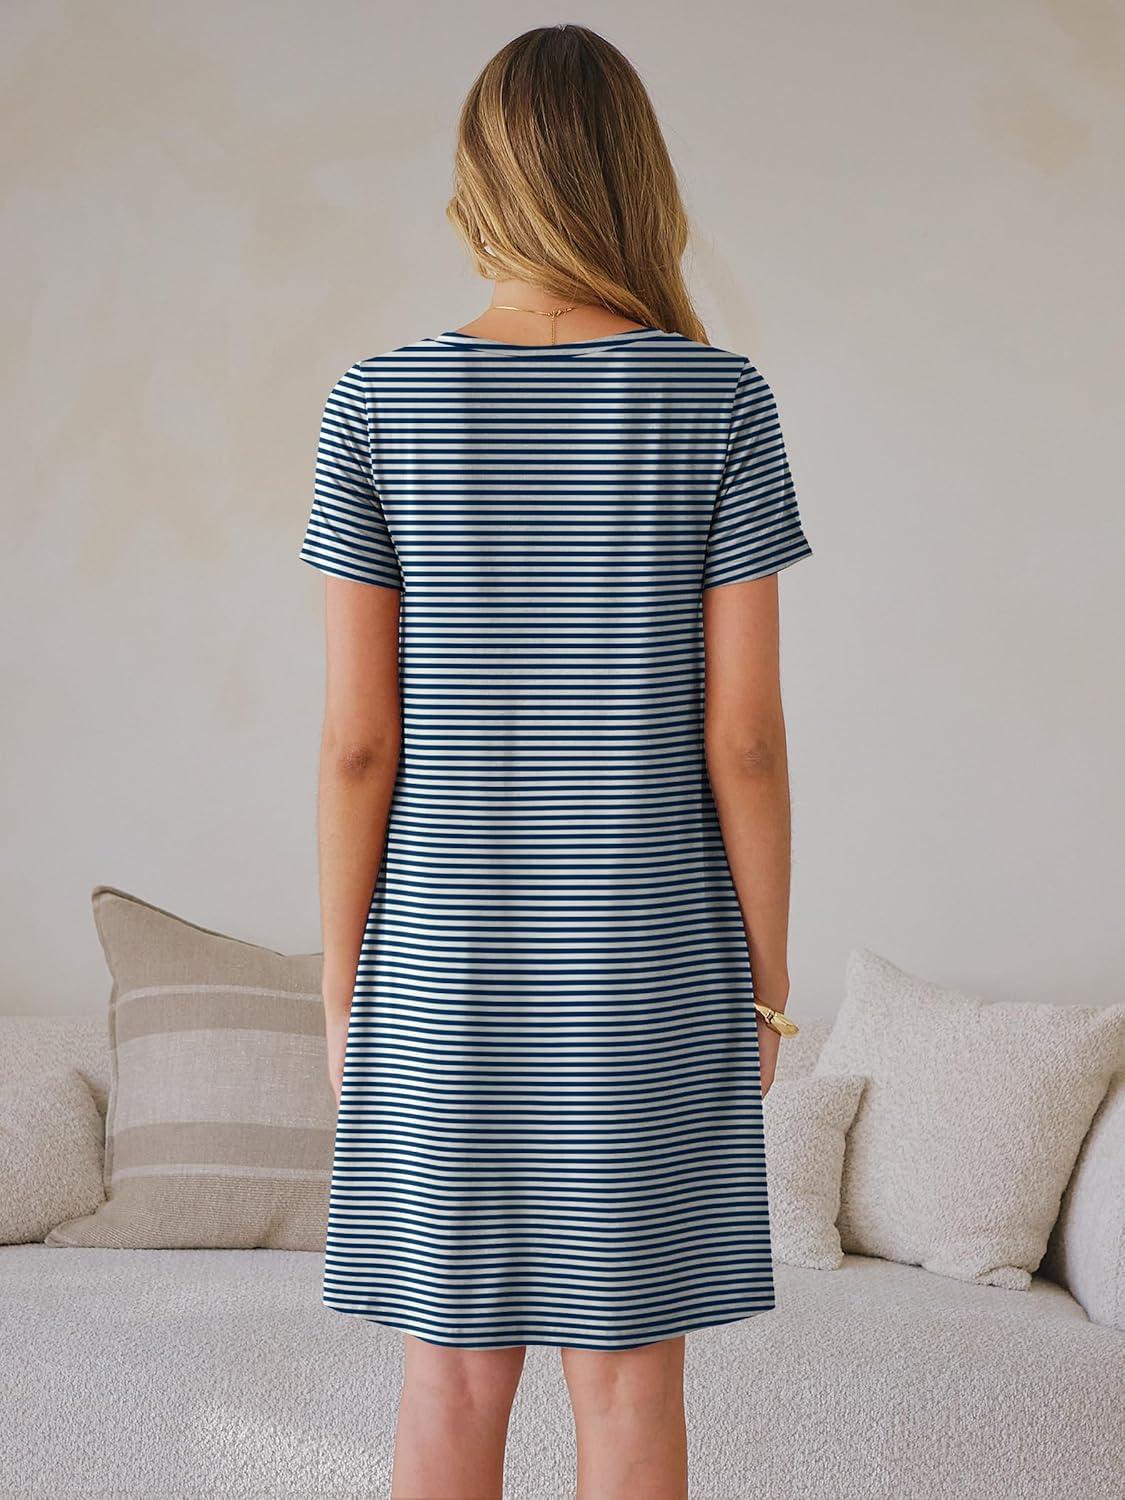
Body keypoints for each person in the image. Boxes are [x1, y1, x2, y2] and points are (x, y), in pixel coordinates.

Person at [299, 22, 811, 1500]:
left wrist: (341, 981)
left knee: (450, 1379)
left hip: (439, 959)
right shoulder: (718, 401)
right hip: (649, 958)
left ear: (480, 182)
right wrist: (766, 981)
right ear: (635, 180)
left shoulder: (375, 404)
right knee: (631, 1385)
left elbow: (358, 744)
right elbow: (744, 738)